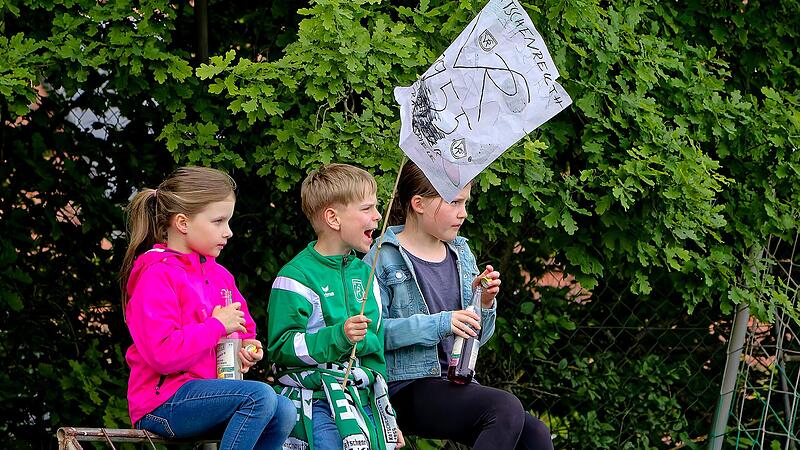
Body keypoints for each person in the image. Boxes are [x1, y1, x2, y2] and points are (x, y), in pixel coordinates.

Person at [363, 161, 554, 450]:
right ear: (419, 204)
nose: (462, 212)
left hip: (455, 381)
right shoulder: (382, 258)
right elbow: (372, 334)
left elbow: (477, 337)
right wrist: (442, 322)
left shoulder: (461, 253)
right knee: (503, 408)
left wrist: (485, 304)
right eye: (454, 202)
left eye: (464, 202)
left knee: (535, 433)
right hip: (405, 386)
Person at [120, 166, 295, 450]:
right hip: (163, 403)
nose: (228, 232)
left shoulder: (219, 275)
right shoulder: (156, 274)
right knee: (260, 397)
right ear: (182, 223)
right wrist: (215, 327)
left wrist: (247, 348)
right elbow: (162, 353)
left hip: (210, 395)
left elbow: (241, 326)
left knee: (284, 410)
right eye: (218, 221)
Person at [266, 163, 404, 450]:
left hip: (362, 399)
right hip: (314, 400)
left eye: (377, 207)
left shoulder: (365, 274)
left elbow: (374, 349)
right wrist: (338, 336)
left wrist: (385, 415)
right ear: (333, 217)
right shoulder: (295, 277)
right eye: (367, 209)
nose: (378, 216)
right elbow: (282, 348)